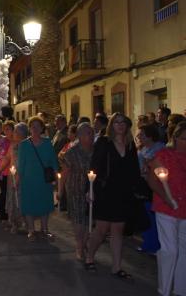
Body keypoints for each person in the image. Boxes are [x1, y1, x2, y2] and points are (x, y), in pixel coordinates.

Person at [85, 113, 141, 279]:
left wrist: (136, 188)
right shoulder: (104, 142)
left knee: (118, 230)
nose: (120, 125)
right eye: (116, 122)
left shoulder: (131, 145)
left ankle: (116, 267)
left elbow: (134, 170)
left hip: (123, 192)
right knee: (101, 230)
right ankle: (89, 256)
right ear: (111, 125)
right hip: (105, 190)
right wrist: (90, 189)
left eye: (123, 122)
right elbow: (94, 166)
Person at [146, 121, 186, 296]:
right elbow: (152, 181)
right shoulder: (164, 155)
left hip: (184, 209)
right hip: (166, 208)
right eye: (185, 138)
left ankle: (180, 289)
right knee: (170, 250)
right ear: (175, 138)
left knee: (184, 250)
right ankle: (164, 289)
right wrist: (166, 198)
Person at [17, 116, 59, 241]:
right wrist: (18, 180)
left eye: (37, 126)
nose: (35, 128)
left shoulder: (47, 143)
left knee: (44, 204)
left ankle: (45, 229)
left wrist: (56, 178)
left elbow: (53, 161)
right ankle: (31, 230)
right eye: (32, 126)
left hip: (44, 180)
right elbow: (21, 164)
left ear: (42, 128)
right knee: (29, 204)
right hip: (28, 180)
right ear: (29, 128)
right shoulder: (24, 145)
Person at [62, 123, 95, 260]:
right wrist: (60, 190)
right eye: (88, 133)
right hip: (75, 189)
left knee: (88, 218)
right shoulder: (72, 152)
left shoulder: (96, 150)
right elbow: (65, 172)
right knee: (78, 219)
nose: (91, 136)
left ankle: (85, 242)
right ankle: (79, 245)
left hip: (92, 189)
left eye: (92, 133)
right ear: (80, 136)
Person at [136, 123, 165, 254]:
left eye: (142, 134)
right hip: (144, 185)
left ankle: (155, 245)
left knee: (153, 217)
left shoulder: (160, 149)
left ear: (150, 136)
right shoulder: (143, 149)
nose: (139, 136)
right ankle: (148, 243)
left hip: (155, 187)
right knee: (146, 215)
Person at [6, 122, 27, 234]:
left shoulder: (26, 145)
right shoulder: (13, 145)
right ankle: (14, 222)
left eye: (16, 131)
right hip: (12, 175)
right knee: (13, 199)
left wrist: (19, 177)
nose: (13, 133)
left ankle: (23, 222)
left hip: (23, 175)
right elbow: (8, 157)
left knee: (21, 199)